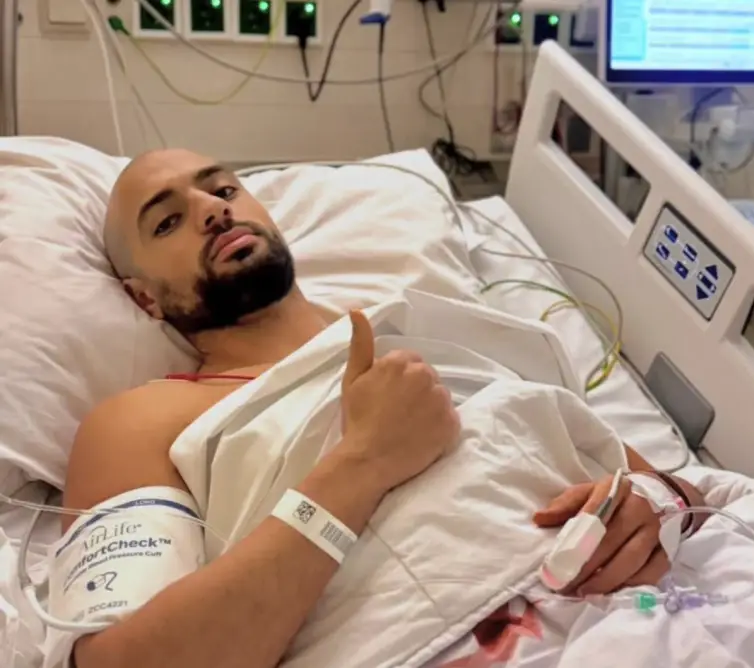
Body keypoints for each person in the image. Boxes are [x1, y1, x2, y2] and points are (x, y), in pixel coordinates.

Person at [61, 149, 705, 668]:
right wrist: (363, 462)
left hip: (653, 618)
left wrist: (658, 505)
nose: (210, 210)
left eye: (223, 190)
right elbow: (123, 661)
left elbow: (665, 490)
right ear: (144, 300)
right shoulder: (143, 420)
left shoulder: (446, 329)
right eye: (166, 221)